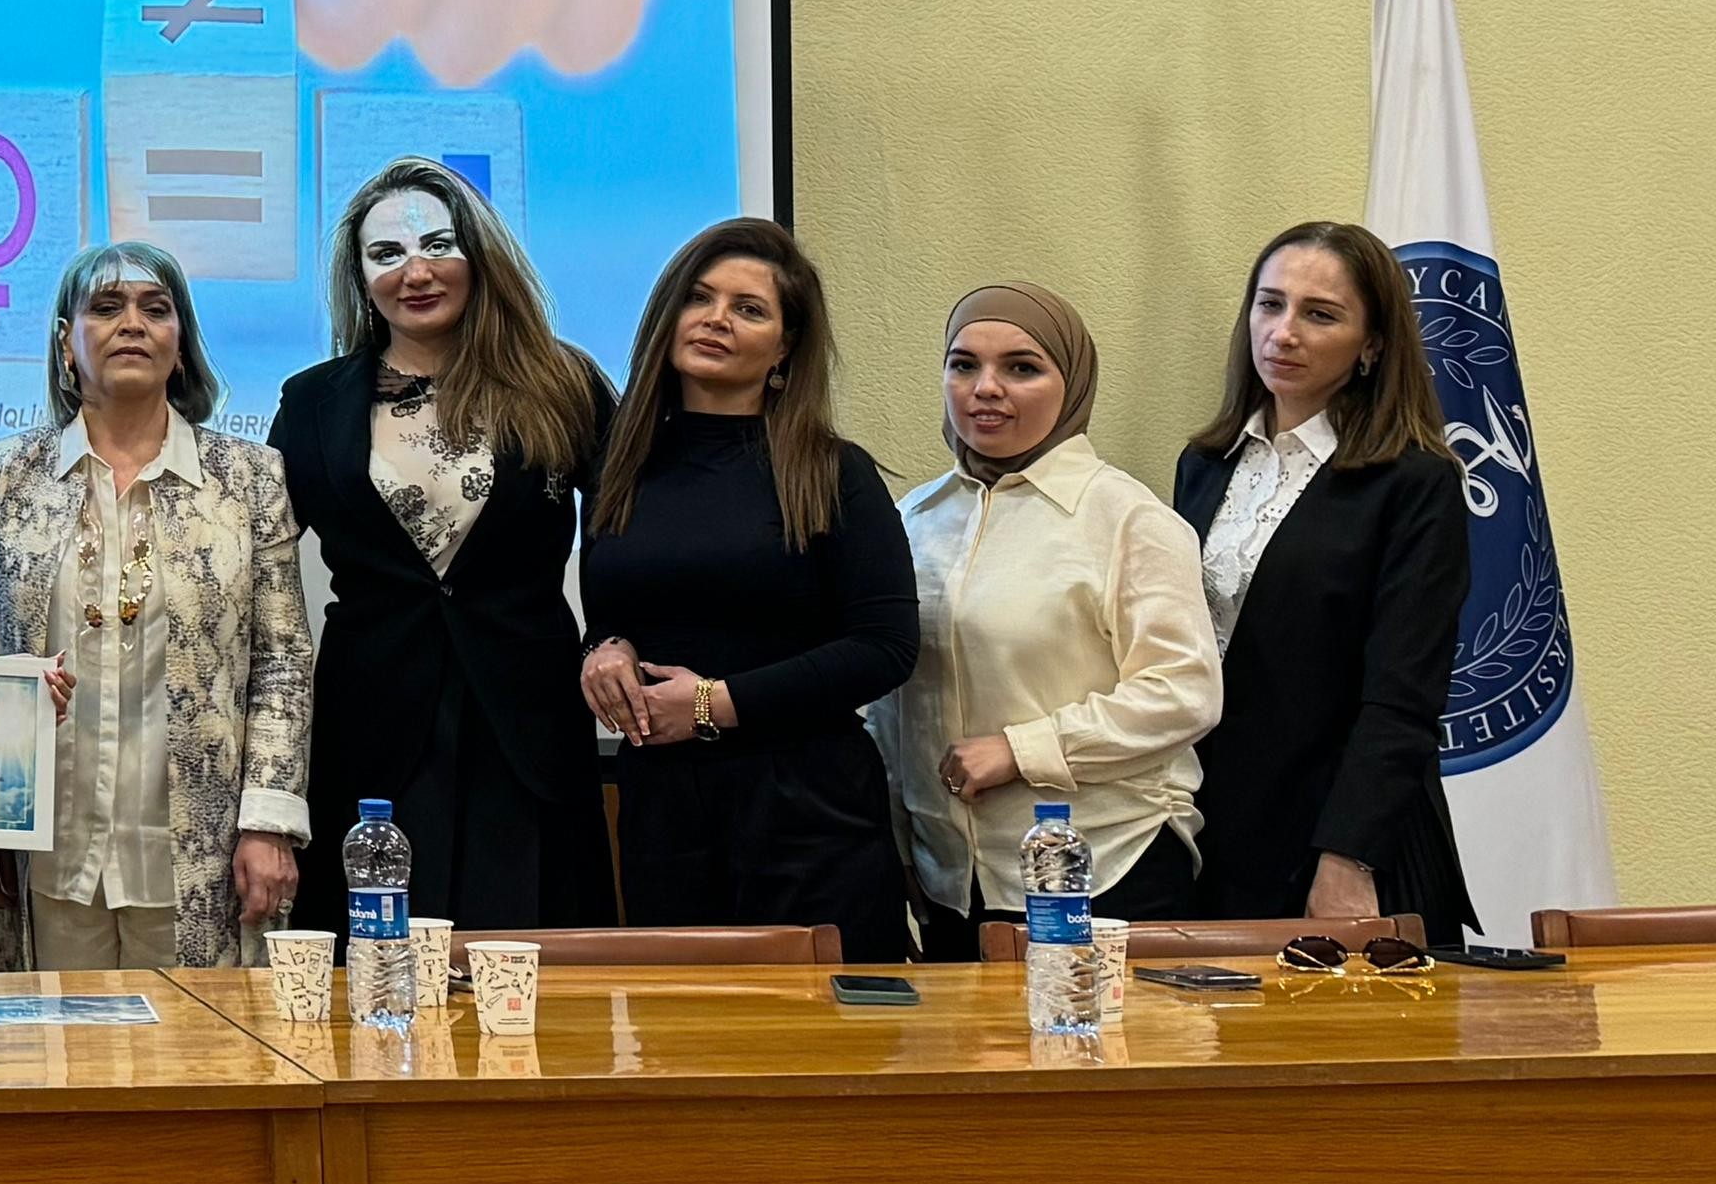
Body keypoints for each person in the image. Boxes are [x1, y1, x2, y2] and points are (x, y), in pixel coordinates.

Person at [270, 161, 617, 928]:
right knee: (375, 967)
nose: (416, 271)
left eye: (438, 244)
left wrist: (613, 637)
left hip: (528, 724)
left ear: (479, 256)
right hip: (372, 727)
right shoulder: (312, 402)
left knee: (532, 959)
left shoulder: (564, 382)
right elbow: (251, 560)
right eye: (386, 254)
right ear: (360, 279)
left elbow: (628, 532)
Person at [0, 242, 309, 970]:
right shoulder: (2, 476)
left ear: (181, 345)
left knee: (198, 1045)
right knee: (57, 1043)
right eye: (106, 308)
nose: (132, 324)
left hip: (203, 852)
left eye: (155, 309)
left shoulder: (249, 478)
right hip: (45, 847)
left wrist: (269, 822)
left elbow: (283, 663)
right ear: (66, 343)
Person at [577, 219, 922, 957]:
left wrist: (714, 703)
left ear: (785, 347)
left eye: (748, 308)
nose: (716, 319)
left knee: (824, 1026)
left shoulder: (833, 471)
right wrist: (603, 651)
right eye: (699, 298)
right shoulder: (619, 465)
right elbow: (610, 616)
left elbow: (886, 647)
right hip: (663, 810)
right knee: (682, 1025)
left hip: (807, 813)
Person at [888, 281, 1220, 950]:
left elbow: (1184, 692)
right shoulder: (914, 518)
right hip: (949, 880)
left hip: (1102, 865)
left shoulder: (1127, 519)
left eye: (1021, 367)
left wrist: (1023, 750)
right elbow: (890, 702)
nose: (986, 388)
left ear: (1071, 385)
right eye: (963, 365)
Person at [1176, 222, 1479, 938]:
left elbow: (1403, 697)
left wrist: (1347, 857)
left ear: (1372, 344)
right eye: (1270, 304)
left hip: (1341, 836)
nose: (1284, 333)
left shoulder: (1415, 482)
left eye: (1320, 314)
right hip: (1214, 823)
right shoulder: (1205, 464)